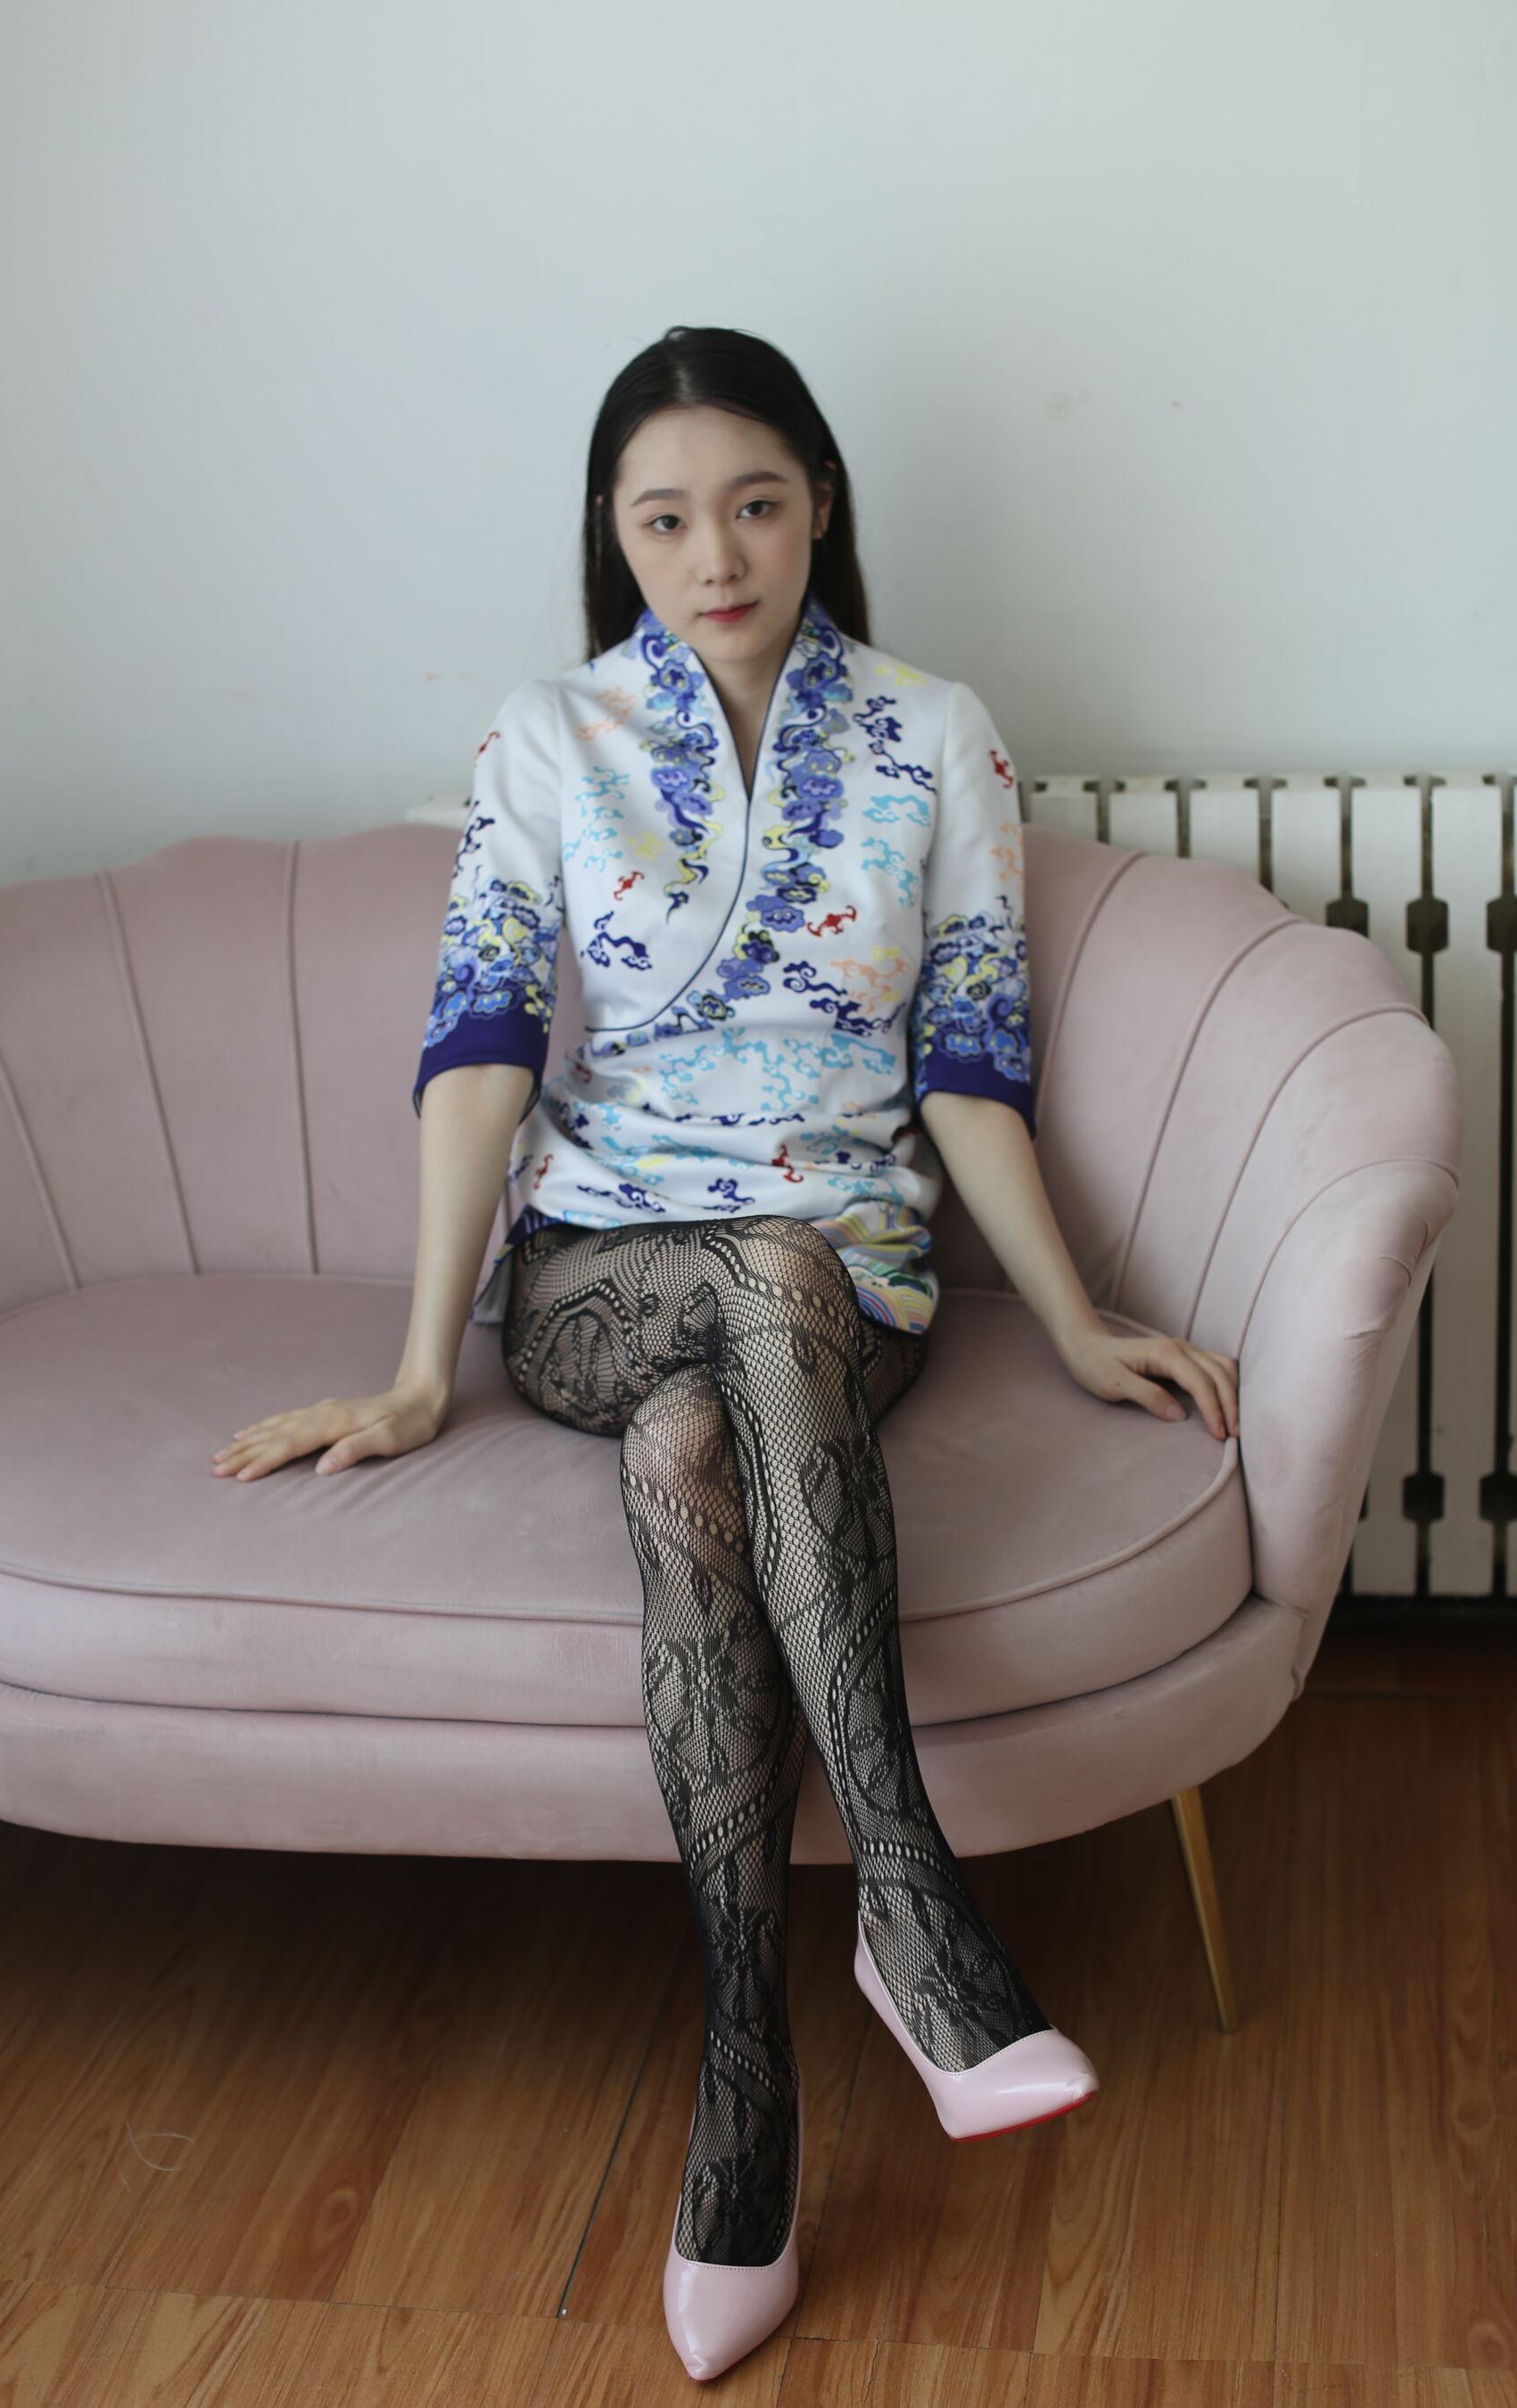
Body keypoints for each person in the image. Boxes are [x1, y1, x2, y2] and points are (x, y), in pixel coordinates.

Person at [211, 324, 1240, 2385]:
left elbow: (968, 1065)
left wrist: (1074, 1316)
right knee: (726, 1303)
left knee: (704, 1430)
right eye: (666, 517)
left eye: (756, 505)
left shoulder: (935, 734)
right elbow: (481, 1053)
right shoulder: (549, 740)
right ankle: (914, 1914)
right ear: (615, 534)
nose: (717, 554)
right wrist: (416, 1369)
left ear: (820, 504)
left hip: (845, 1284)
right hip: (593, 1271)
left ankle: (744, 2098)